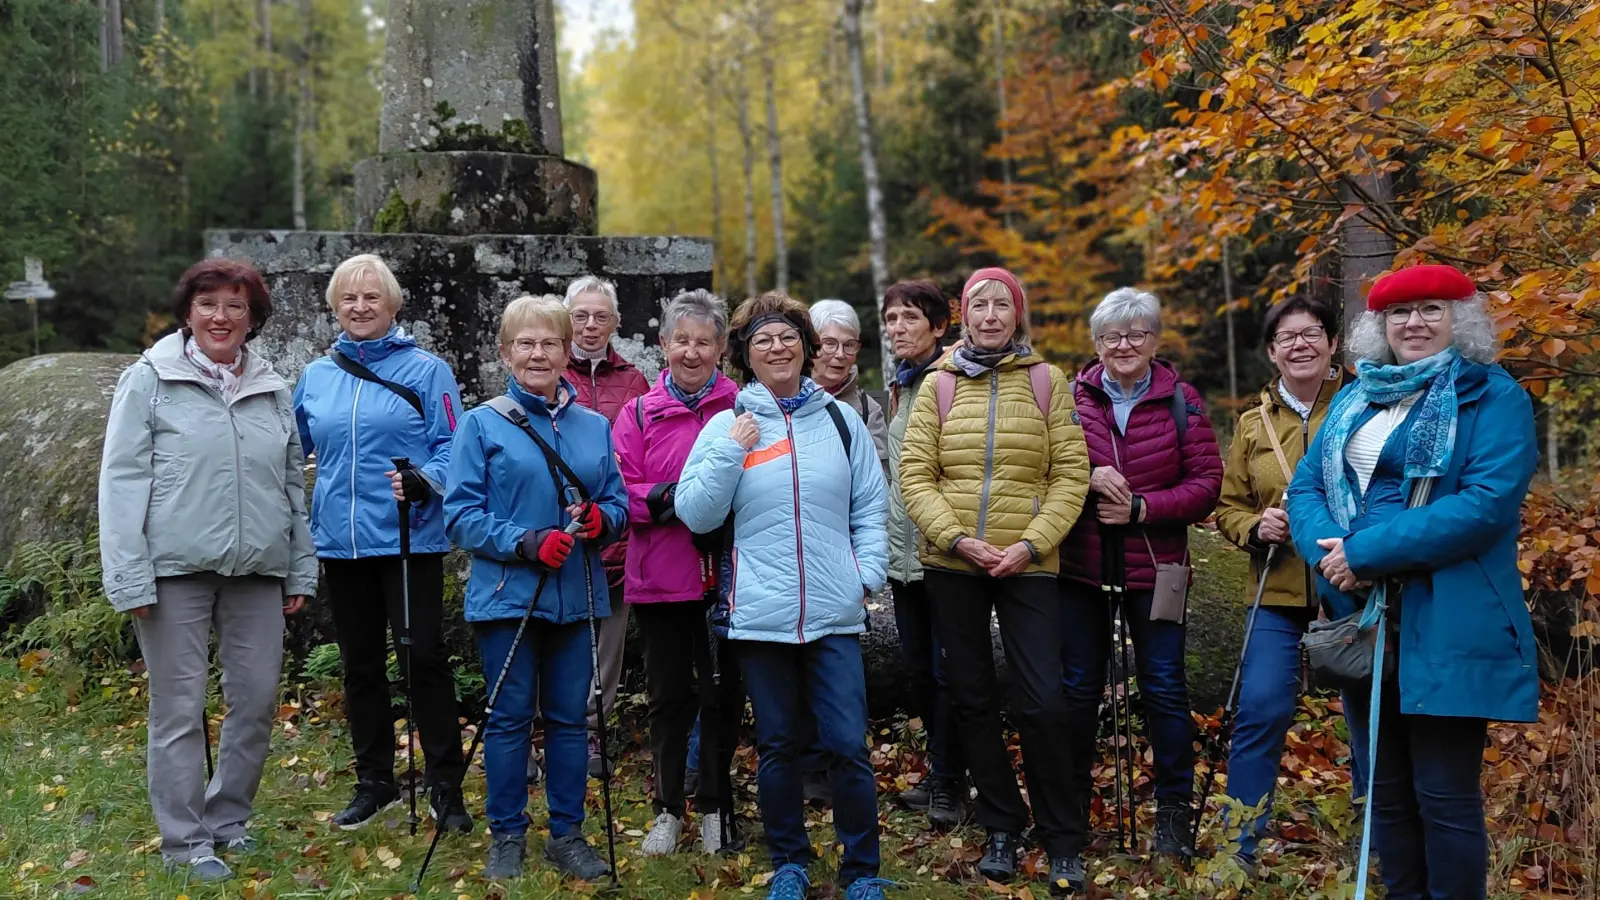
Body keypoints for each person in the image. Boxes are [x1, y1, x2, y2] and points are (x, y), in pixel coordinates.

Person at [1287, 265, 1538, 899]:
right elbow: (1306, 486)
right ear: (1381, 325)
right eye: (1399, 312)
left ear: (1461, 320)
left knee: (1444, 794)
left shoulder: (1493, 396)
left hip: (1449, 614)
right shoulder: (1358, 396)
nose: (1414, 323)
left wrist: (1365, 551)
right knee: (1386, 790)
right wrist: (1331, 555)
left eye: (1431, 309)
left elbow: (1484, 505)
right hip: (1362, 617)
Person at [98, 259, 317, 883]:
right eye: (208, 304)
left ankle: (228, 822)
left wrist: (299, 567)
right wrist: (129, 575)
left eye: (235, 306)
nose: (221, 317)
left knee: (256, 701)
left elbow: (290, 484)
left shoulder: (272, 387)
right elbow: (121, 480)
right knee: (179, 709)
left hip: (258, 571)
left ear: (253, 317)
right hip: (173, 572)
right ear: (188, 312)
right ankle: (186, 842)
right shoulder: (149, 379)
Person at [676, 291, 892, 900]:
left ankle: (862, 870)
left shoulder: (841, 422)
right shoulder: (726, 424)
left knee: (848, 745)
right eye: (763, 340)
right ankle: (790, 863)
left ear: (806, 347)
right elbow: (695, 513)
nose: (778, 348)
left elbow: (870, 505)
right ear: (745, 354)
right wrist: (731, 450)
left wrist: (865, 575)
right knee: (776, 747)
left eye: (788, 337)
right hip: (759, 614)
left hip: (833, 611)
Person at [899, 268, 1091, 895]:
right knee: (972, 698)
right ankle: (1002, 824)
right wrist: (958, 539)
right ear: (963, 314)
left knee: (1043, 701)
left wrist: (1031, 544)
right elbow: (915, 474)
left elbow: (1070, 474)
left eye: (1000, 305)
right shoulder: (938, 383)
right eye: (978, 304)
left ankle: (1063, 838)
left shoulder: (1046, 380)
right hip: (954, 563)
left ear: (1017, 314)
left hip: (1027, 564)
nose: (989, 315)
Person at [444, 294, 628, 882]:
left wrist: (601, 521)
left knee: (571, 719)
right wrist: (524, 541)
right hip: (508, 597)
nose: (538, 354)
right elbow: (460, 516)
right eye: (526, 343)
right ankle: (508, 835)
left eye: (550, 343)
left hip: (577, 596)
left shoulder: (595, 427)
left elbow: (619, 504)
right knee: (509, 719)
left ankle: (567, 835)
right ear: (505, 353)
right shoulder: (481, 423)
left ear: (567, 352)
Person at [291, 255, 471, 834]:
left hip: (408, 536)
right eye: (349, 298)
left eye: (372, 297)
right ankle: (375, 781)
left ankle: (445, 785)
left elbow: (455, 446)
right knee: (360, 666)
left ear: (393, 305)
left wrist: (425, 479)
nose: (360, 307)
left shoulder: (427, 371)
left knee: (424, 660)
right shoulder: (316, 376)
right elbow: (289, 449)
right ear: (334, 307)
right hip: (342, 542)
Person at [1057, 287, 1223, 865]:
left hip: (1158, 570)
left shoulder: (1181, 400)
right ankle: (1070, 809)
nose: (1123, 345)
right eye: (1111, 336)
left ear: (1154, 340)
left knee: (1165, 689)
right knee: (1078, 688)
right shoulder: (1069, 398)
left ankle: (1173, 812)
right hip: (1081, 568)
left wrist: (1142, 508)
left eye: (1136, 334)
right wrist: (1088, 478)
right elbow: (1045, 468)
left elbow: (1207, 485)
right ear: (1095, 342)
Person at [1212, 296, 1365, 871]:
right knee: (1261, 708)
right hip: (1274, 591)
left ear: (1332, 343)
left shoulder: (1364, 404)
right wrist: (1256, 527)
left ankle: (1374, 843)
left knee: (1365, 716)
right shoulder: (1253, 423)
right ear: (1272, 352)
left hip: (1353, 587)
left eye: (1312, 333)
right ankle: (1238, 849)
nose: (1300, 345)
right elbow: (1228, 506)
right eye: (1286, 338)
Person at [611, 290, 742, 856]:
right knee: (667, 698)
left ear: (721, 348)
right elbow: (619, 490)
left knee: (721, 696)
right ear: (663, 344)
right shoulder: (639, 412)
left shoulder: (742, 407)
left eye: (704, 342)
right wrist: (674, 499)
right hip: (660, 577)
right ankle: (667, 809)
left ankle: (715, 805)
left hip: (725, 577)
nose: (692, 352)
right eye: (681, 340)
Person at [880, 280, 966, 827]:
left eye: (910, 317)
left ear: (939, 326)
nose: (897, 328)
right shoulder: (904, 382)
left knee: (947, 671)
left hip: (946, 552)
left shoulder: (952, 380)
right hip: (904, 557)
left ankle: (952, 783)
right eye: (891, 318)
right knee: (921, 671)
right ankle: (941, 774)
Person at [562, 275, 650, 779]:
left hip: (616, 535)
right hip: (560, 531)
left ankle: (593, 729)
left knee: (607, 643)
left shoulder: (635, 381)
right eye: (580, 316)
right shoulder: (550, 370)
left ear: (616, 323)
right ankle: (546, 730)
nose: (590, 325)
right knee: (556, 635)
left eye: (601, 316)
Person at [810, 299, 889, 469]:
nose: (840, 354)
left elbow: (880, 474)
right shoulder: (784, 399)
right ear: (810, 345)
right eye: (829, 343)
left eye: (849, 345)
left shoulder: (868, 410)